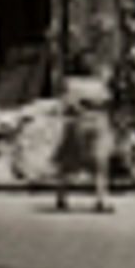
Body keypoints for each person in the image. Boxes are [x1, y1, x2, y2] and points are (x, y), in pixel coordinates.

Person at [55, 57, 115, 214]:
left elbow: (66, 104)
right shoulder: (98, 84)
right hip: (96, 122)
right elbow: (107, 101)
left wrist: (79, 109)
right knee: (99, 162)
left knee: (69, 161)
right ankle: (100, 199)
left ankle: (63, 196)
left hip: (80, 122)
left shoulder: (71, 83)